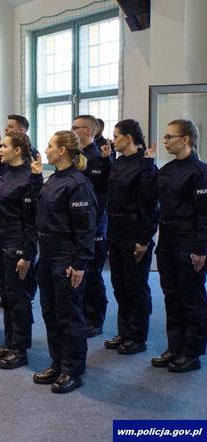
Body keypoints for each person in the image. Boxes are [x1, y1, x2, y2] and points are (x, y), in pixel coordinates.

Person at [34, 130, 96, 393]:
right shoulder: (53, 180)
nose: (46, 149)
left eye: (50, 146)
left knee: (70, 315)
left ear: (62, 151)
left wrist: (79, 262)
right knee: (50, 312)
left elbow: (85, 228)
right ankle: (57, 362)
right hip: (47, 253)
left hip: (66, 255)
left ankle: (72, 370)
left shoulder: (77, 183)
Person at [152, 119, 207, 372]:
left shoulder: (200, 172)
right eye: (165, 137)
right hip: (167, 240)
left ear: (186, 139)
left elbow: (204, 215)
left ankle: (191, 352)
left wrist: (200, 248)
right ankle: (174, 347)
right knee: (171, 296)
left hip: (189, 241)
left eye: (169, 136)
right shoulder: (166, 170)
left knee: (191, 298)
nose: (165, 141)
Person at [0, 132, 43, 368]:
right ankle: (10, 342)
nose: (1, 149)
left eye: (6, 146)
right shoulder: (5, 172)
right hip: (1, 239)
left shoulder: (28, 178)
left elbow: (31, 222)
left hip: (17, 241)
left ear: (18, 150)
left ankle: (20, 349)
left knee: (19, 297)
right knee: (6, 294)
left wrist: (26, 254)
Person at [104, 119, 158, 355]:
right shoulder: (117, 162)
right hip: (115, 232)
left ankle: (137, 336)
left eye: (116, 136)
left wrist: (144, 240)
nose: (113, 140)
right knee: (119, 284)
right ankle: (124, 331)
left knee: (136, 286)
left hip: (135, 233)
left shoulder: (145, 165)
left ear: (129, 137)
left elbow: (151, 207)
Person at [72, 114, 111, 337]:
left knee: (92, 274)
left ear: (87, 131)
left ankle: (95, 319)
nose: (71, 130)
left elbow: (100, 198)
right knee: (83, 275)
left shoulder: (96, 158)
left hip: (94, 225)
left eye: (75, 127)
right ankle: (84, 314)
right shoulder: (79, 156)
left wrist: (92, 228)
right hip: (80, 225)